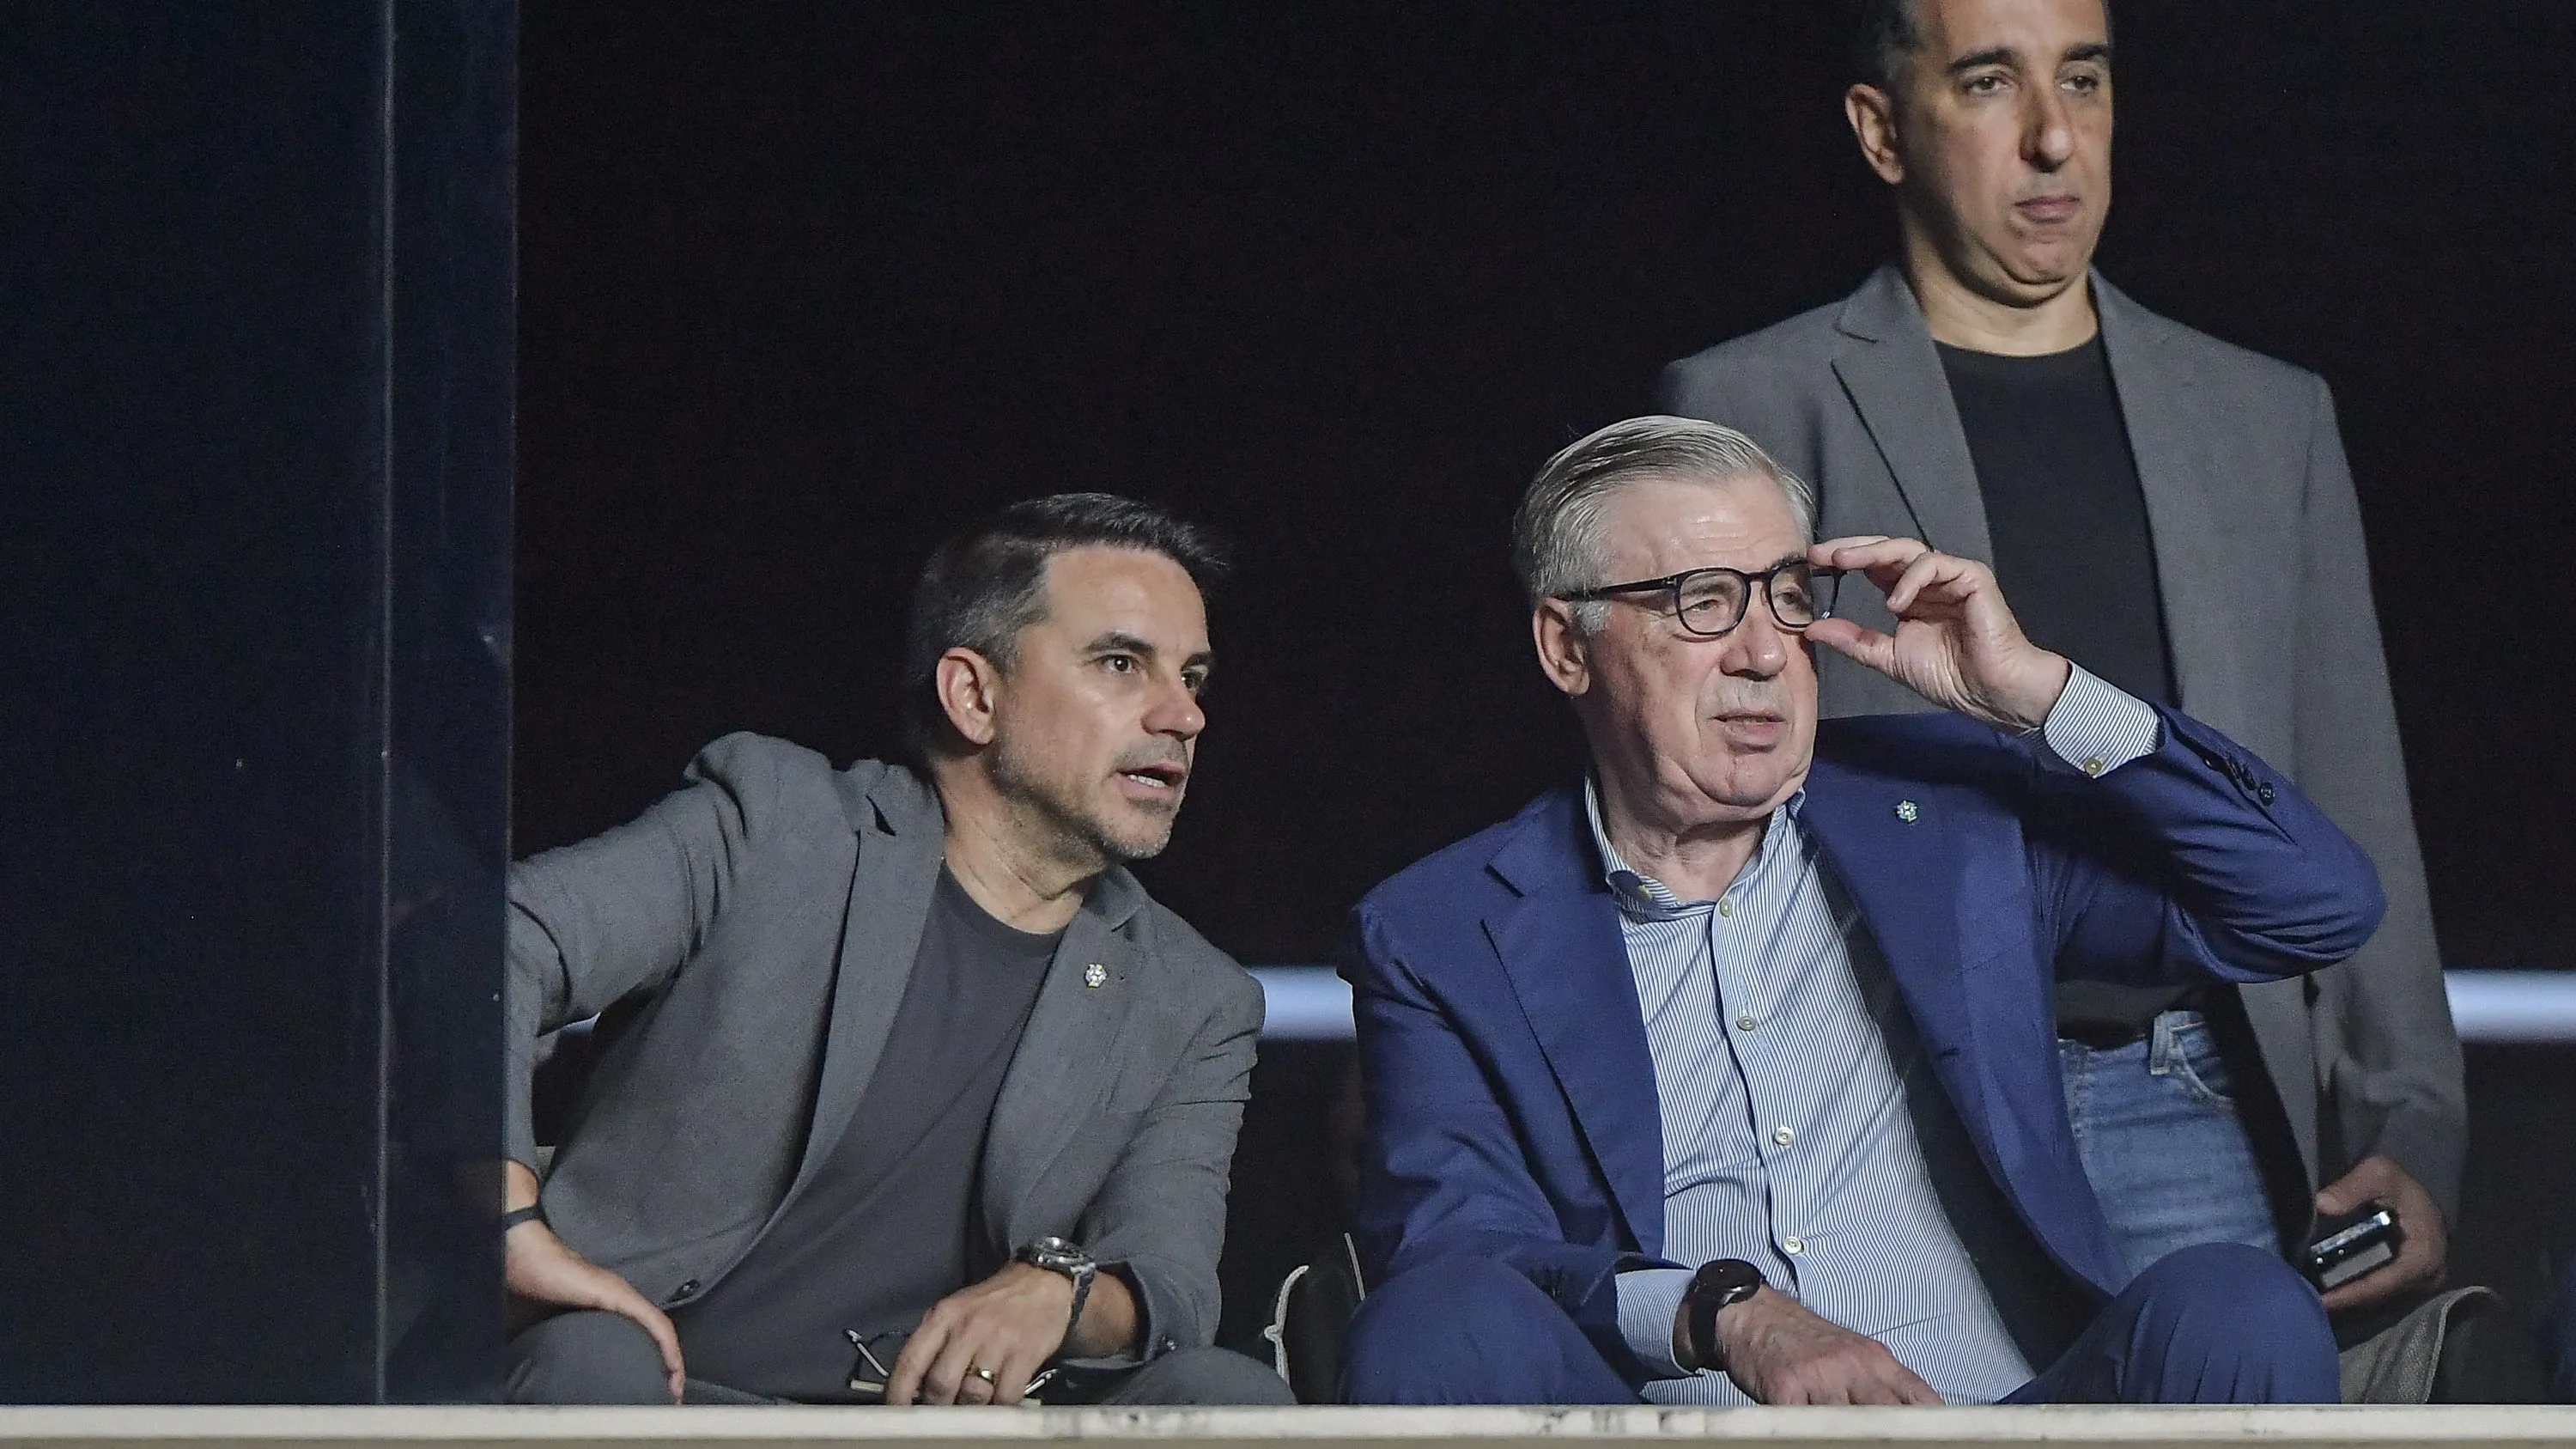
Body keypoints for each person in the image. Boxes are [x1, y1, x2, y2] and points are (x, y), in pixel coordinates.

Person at [1655, 0, 2458, 1318]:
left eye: (2082, 80)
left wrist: (2411, 1124)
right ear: (1882, 129)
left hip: (2197, 1086)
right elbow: (1673, 798)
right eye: (1989, 82)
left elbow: (2351, 784)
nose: (2052, 139)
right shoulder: (1747, 403)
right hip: (1888, 1102)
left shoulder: (2265, 418)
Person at [1340, 418, 2380, 1405]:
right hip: (1681, 1420)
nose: (1763, 652)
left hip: (1999, 1410)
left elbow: (2313, 905)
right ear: (1567, 647)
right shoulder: (1439, 931)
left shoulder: (1948, 827)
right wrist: (1724, 1312)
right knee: (1434, 1321)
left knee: (2238, 1305)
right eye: (1703, 601)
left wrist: (2043, 695)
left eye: (1786, 595)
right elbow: (1457, 1251)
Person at [499, 494, 1292, 1406]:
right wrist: (508, 1221)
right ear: (974, 695)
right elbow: (489, 947)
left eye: (1193, 677)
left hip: (947, 1426)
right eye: (1122, 663)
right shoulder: (774, 827)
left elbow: (1169, 1284)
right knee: (590, 1367)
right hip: (678, 1397)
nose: (1183, 716)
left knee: (1228, 1397)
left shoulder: (1193, 997)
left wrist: (1059, 1289)